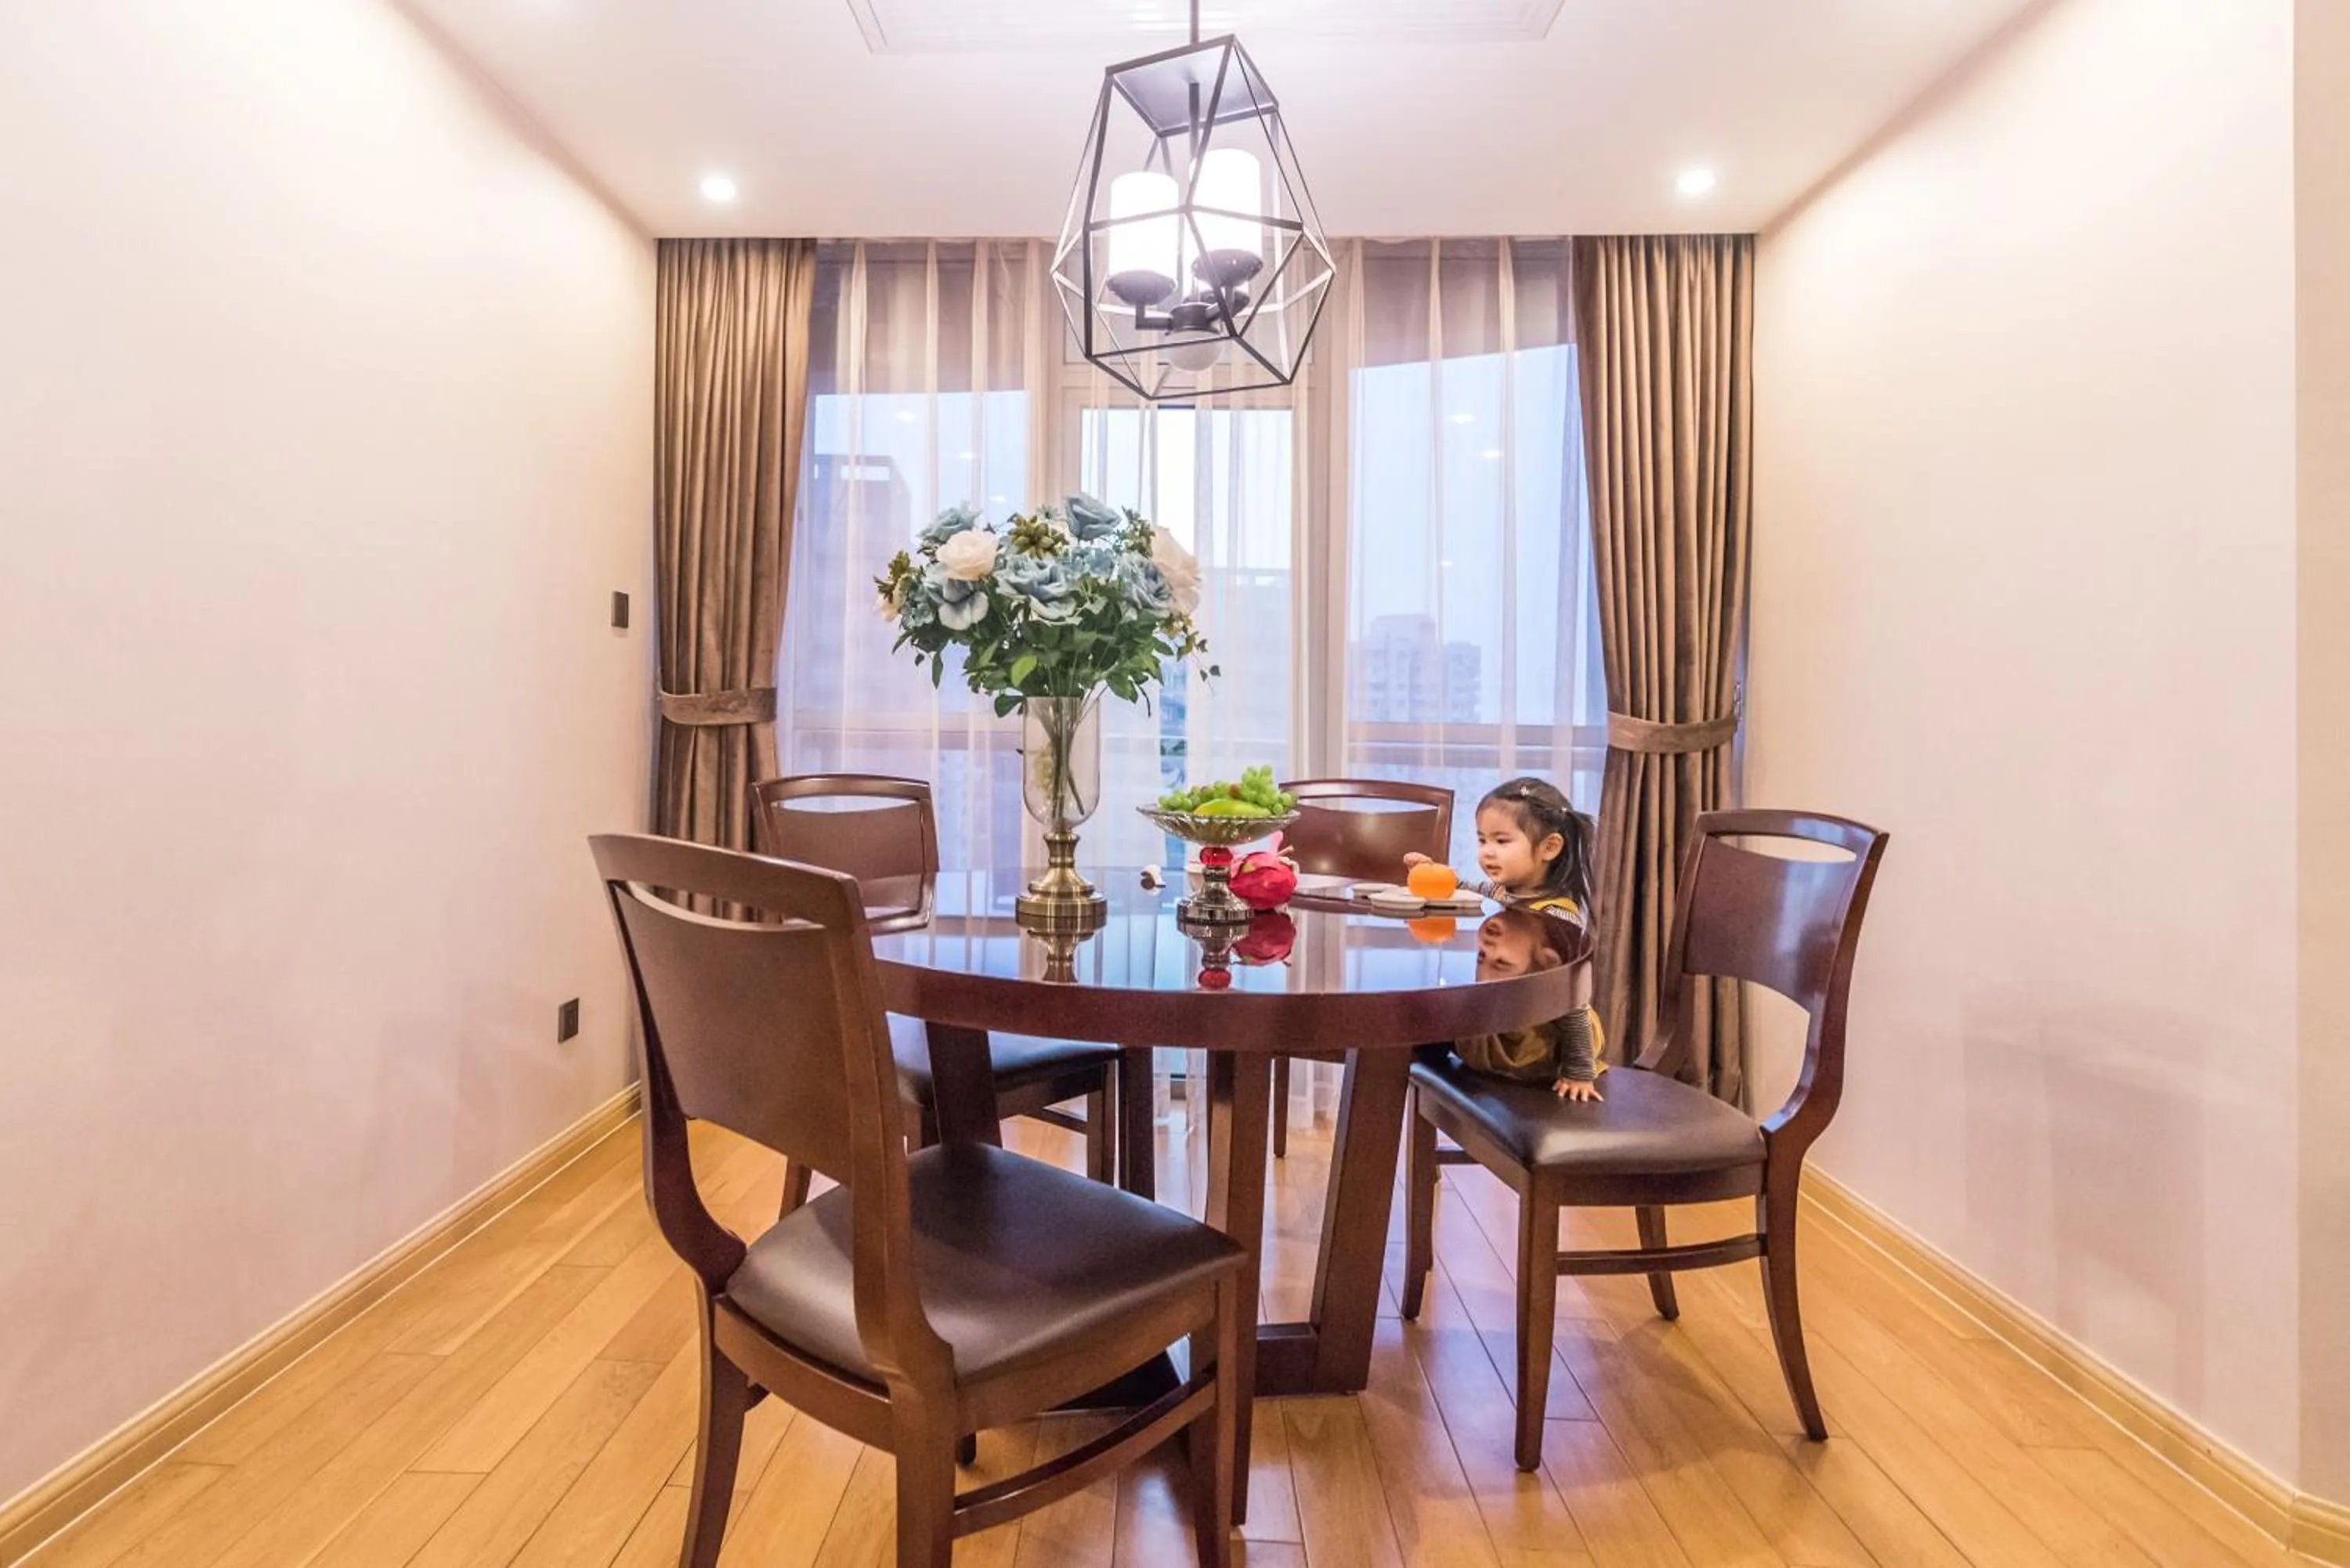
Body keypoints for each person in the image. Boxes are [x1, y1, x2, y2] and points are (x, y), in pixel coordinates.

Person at [1408, 776, 1607, 1100]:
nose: (1487, 852)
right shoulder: (1516, 893)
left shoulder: (1558, 919)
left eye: (1502, 842)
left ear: (1550, 847)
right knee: (1419, 1026)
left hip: (1533, 1046)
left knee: (1428, 1029)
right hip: (1505, 1018)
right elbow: (1482, 889)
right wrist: (1440, 878)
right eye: (1482, 840)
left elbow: (1575, 1008)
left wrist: (1579, 1072)